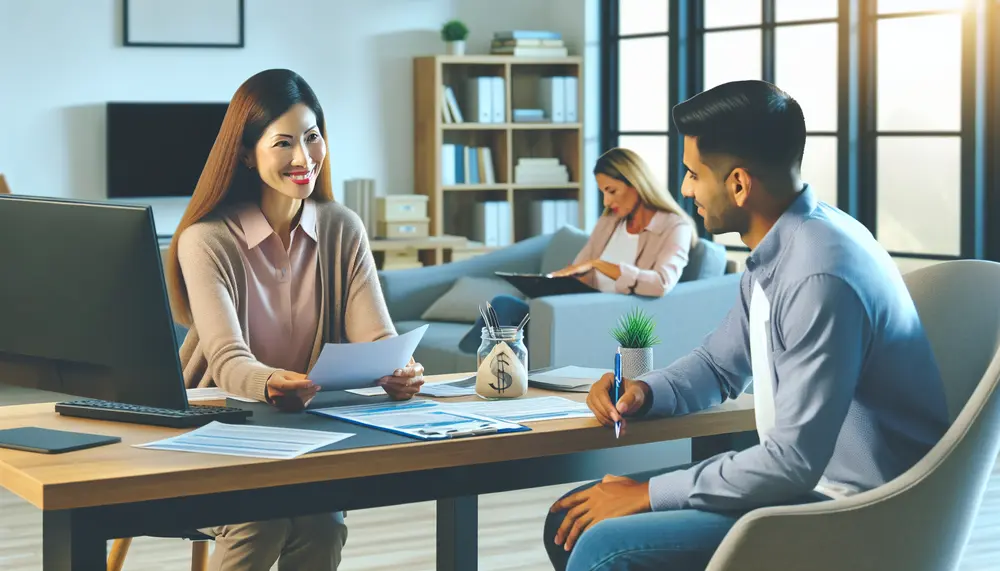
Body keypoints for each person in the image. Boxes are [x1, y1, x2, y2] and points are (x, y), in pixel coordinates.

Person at [542, 80, 950, 571]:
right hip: (805, 485)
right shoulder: (784, 244)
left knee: (604, 544)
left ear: (738, 183)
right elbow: (719, 365)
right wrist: (643, 393)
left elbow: (792, 463)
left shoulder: (819, 272)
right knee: (568, 520)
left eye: (693, 174)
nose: (685, 190)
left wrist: (649, 493)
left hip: (854, 509)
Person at [165, 68, 425, 571]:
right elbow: (226, 359)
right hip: (219, 429)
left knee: (322, 522)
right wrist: (269, 383)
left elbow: (376, 335)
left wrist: (399, 368)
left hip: (307, 432)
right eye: (283, 143)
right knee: (259, 521)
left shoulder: (341, 228)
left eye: (311, 137)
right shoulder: (207, 240)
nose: (304, 158)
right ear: (245, 153)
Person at [458, 147, 698, 353]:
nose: (606, 201)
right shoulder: (610, 221)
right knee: (504, 308)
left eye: (611, 191)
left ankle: (474, 369)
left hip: (613, 316)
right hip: (579, 308)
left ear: (636, 185)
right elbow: (579, 268)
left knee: (507, 321)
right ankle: (483, 369)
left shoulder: (675, 227)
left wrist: (600, 265)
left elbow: (661, 283)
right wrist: (551, 282)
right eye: (603, 192)